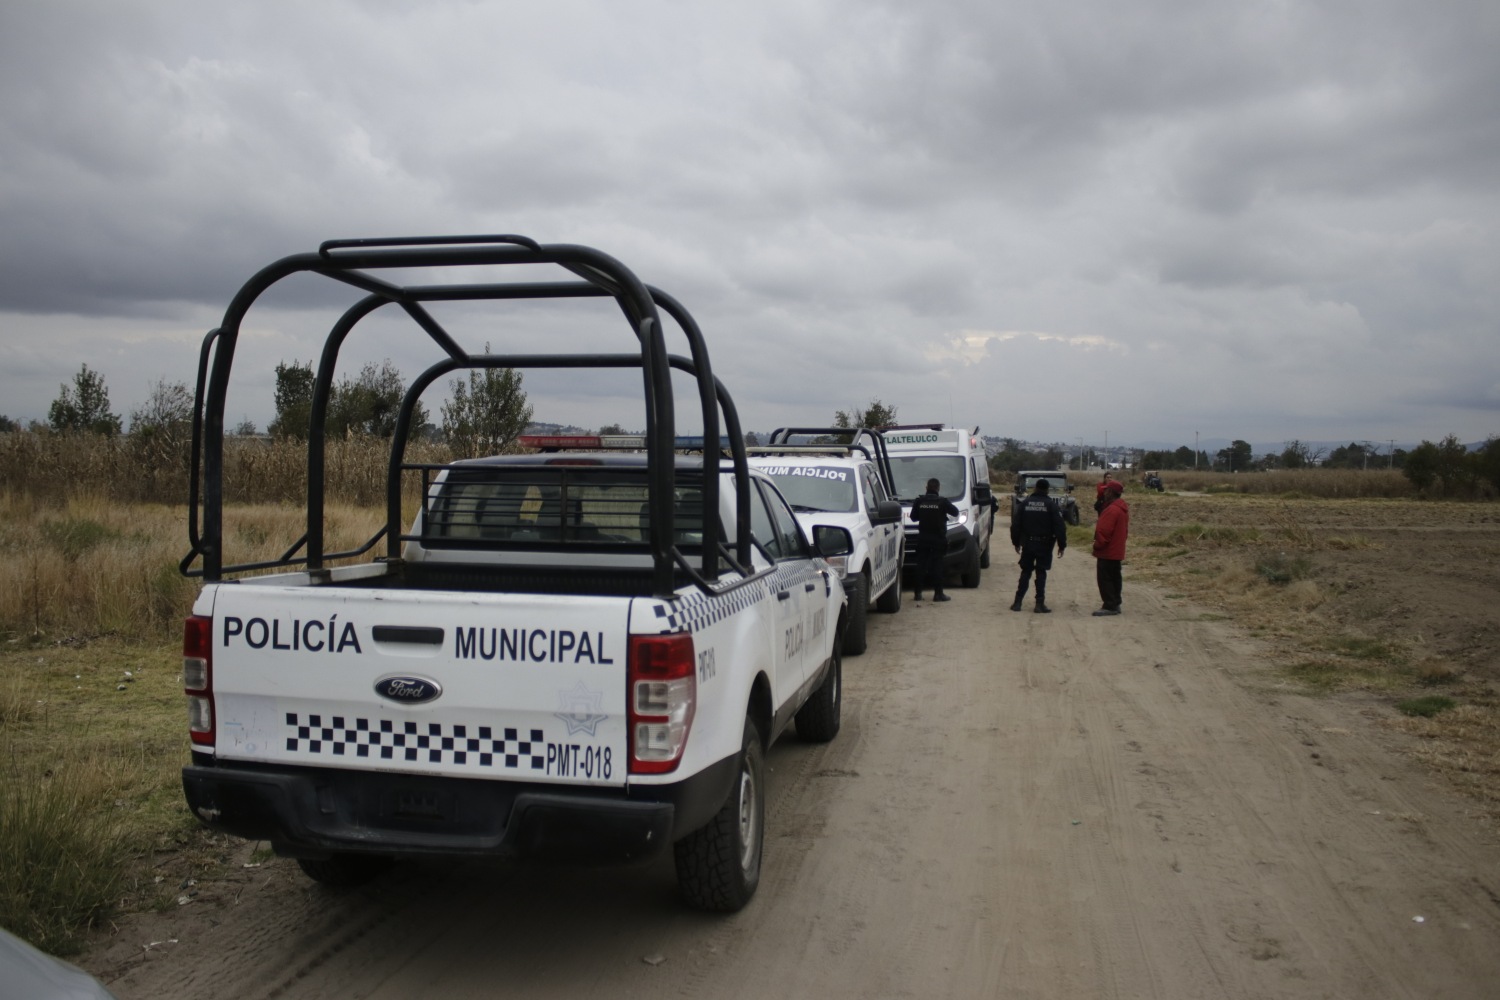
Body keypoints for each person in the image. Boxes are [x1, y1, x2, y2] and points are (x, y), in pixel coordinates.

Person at [1009, 477, 1067, 613]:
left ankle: (1017, 602)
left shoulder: (1025, 503)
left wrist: (1016, 542)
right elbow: (1060, 527)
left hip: (1028, 544)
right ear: (1047, 490)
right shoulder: (1051, 505)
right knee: (1041, 573)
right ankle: (1039, 604)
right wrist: (1061, 545)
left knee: (1026, 572)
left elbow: (1015, 525)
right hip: (1044, 544)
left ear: (1035, 488)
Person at [909, 477, 959, 602]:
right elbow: (955, 512)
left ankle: (918, 594)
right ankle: (938, 594)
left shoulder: (919, 501)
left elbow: (913, 518)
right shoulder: (942, 502)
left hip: (923, 538)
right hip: (938, 539)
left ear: (926, 488)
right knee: (937, 566)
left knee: (920, 566)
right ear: (938, 488)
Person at [1092, 480, 1129, 616]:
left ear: (1111, 492)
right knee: (1115, 577)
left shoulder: (1111, 510)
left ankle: (1109, 605)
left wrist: (1097, 545)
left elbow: (1103, 531)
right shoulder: (1121, 508)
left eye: (1106, 490)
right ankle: (1115, 602)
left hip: (1107, 551)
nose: (1104, 492)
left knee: (1105, 579)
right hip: (1116, 550)